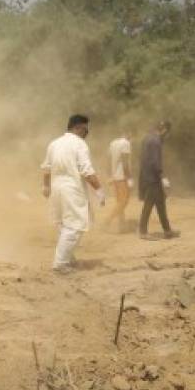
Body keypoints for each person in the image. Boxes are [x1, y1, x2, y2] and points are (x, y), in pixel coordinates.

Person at [41, 114, 105, 273]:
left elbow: (46, 168)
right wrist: (99, 190)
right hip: (72, 189)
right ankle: (60, 263)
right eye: (85, 129)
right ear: (78, 127)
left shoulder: (54, 143)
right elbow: (87, 171)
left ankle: (68, 258)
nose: (86, 132)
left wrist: (46, 187)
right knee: (75, 226)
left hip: (57, 188)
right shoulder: (79, 144)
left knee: (63, 224)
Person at [139, 121, 179, 239]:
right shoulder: (156, 141)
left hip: (147, 175)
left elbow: (144, 159)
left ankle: (167, 231)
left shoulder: (147, 138)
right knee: (149, 204)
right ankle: (142, 232)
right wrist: (162, 177)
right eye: (167, 134)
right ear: (165, 130)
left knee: (160, 203)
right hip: (153, 178)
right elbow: (155, 161)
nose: (166, 137)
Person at [104, 132, 133, 233]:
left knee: (119, 201)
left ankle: (122, 225)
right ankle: (107, 221)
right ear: (129, 135)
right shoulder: (125, 143)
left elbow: (108, 160)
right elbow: (125, 162)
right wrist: (129, 178)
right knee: (123, 201)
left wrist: (109, 176)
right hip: (122, 177)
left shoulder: (113, 143)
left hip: (115, 177)